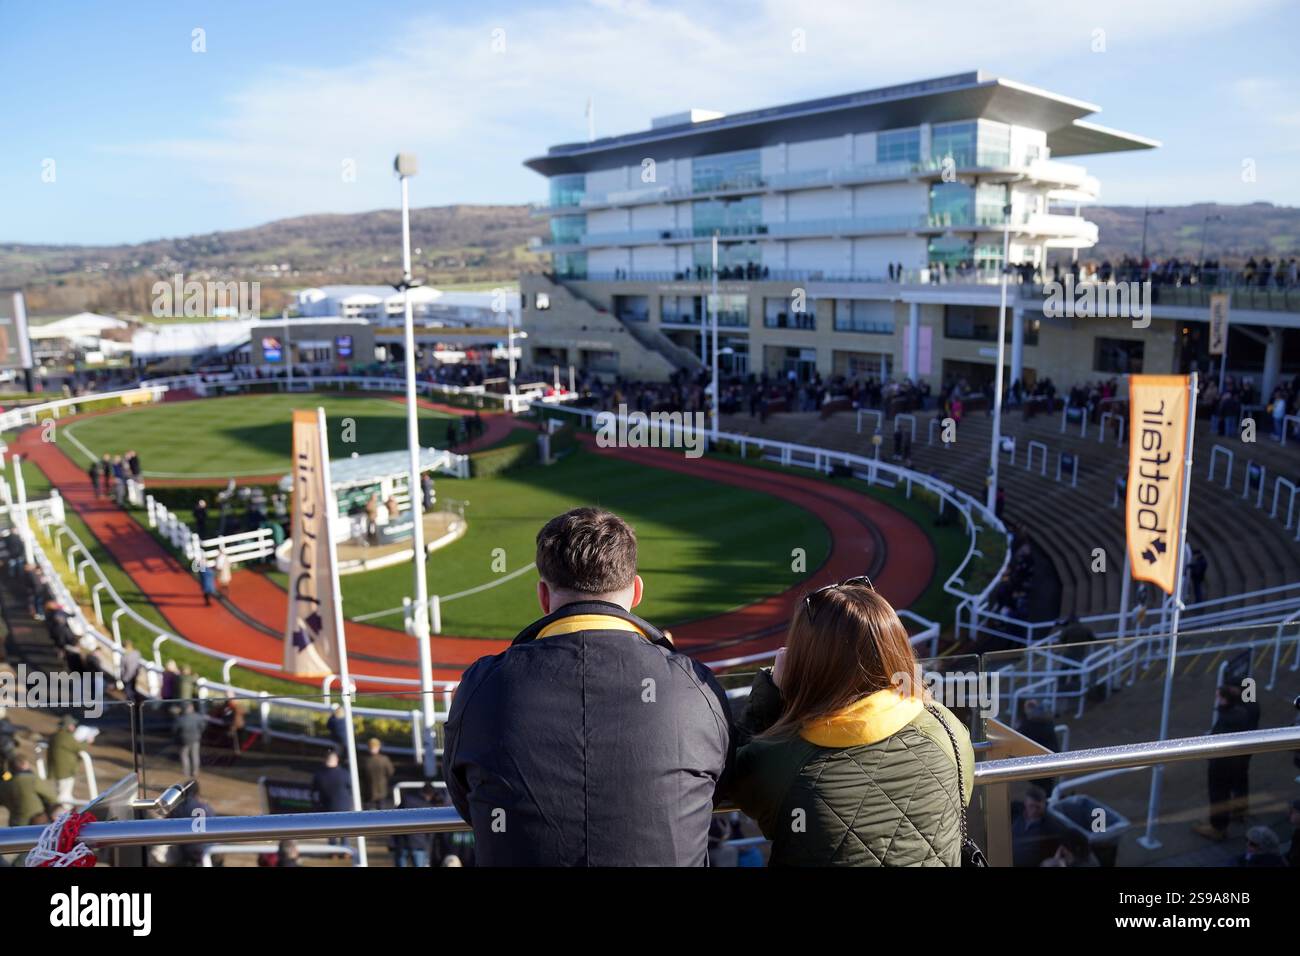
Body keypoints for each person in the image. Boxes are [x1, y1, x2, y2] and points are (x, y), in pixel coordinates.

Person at [445, 507, 733, 866]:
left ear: (543, 597)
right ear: (637, 591)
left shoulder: (482, 686)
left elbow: (465, 797)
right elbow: (713, 789)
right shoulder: (696, 687)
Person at [727, 579, 972, 866]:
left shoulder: (778, 760)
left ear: (805, 664)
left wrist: (771, 691)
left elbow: (729, 775)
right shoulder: (947, 730)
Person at [1193, 684, 1260, 841]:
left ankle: (1218, 828)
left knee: (1219, 795)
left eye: (1219, 697)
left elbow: (1219, 742)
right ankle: (1237, 812)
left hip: (1222, 765)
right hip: (1237, 761)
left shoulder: (1229, 718)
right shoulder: (1241, 712)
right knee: (1235, 786)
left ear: (1224, 699)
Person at [0, 756, 58, 826]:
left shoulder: (4, 784)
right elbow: (52, 797)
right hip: (36, 823)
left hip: (15, 824)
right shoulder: (32, 779)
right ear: (24, 764)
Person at [1011, 785, 1060, 866]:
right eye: (1031, 806)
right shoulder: (1014, 814)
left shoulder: (1049, 826)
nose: (1034, 810)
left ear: (1044, 805)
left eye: (1038, 807)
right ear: (1025, 803)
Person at [48, 715, 86, 807]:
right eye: (72, 725)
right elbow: (79, 747)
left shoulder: (56, 735)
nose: (74, 727)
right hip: (65, 771)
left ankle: (65, 812)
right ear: (68, 725)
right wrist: (87, 741)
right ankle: (64, 814)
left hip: (59, 770)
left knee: (63, 793)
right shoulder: (65, 737)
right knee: (64, 796)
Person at [358, 737, 394, 810]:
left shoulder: (363, 760)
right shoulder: (384, 759)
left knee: (368, 812)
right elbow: (390, 772)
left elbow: (360, 775)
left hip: (368, 791)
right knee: (382, 812)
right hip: (381, 791)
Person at [174, 702, 206, 778]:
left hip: (184, 740)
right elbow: (203, 726)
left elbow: (175, 730)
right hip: (195, 739)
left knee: (184, 755)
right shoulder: (198, 717)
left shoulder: (180, 718)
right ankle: (195, 771)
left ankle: (186, 772)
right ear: (191, 707)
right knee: (195, 755)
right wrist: (199, 733)